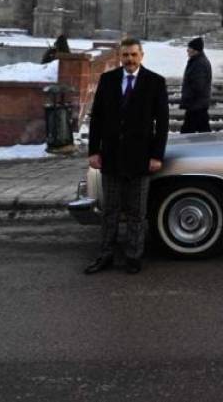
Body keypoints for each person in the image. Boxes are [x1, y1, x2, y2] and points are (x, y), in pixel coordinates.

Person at [84, 37, 169, 276]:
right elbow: (97, 118)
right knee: (110, 211)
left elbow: (162, 123)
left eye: (133, 55)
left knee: (136, 212)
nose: (129, 59)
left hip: (140, 159)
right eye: (125, 55)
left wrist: (156, 156)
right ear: (120, 57)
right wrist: (93, 151)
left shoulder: (155, 82)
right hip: (111, 157)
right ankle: (105, 255)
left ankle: (133, 256)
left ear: (141, 56)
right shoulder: (108, 80)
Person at [180, 37, 212, 133]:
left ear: (195, 50)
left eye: (189, 48)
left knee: (188, 131)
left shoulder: (199, 63)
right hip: (197, 104)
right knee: (203, 130)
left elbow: (198, 85)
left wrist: (188, 97)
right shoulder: (197, 61)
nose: (187, 50)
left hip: (196, 104)